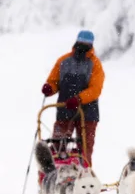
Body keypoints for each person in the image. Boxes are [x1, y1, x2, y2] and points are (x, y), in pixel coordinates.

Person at [41, 30, 105, 166]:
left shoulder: (95, 65)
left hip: (88, 114)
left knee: (85, 149)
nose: (82, 45)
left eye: (86, 43)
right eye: (80, 42)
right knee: (58, 146)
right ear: (76, 42)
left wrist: (79, 99)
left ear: (91, 45)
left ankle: (84, 176)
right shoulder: (63, 61)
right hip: (65, 110)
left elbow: (95, 89)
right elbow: (54, 81)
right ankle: (58, 172)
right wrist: (49, 88)